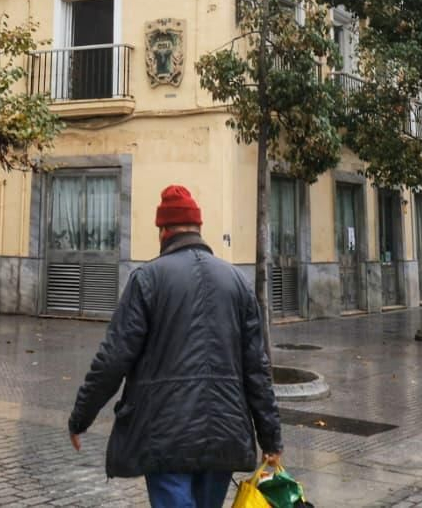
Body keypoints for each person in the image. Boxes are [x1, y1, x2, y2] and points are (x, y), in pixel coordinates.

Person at [68, 185, 282, 508]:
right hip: (224, 434)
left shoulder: (147, 280)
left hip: (164, 436)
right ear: (198, 228)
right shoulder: (238, 282)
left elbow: (113, 359)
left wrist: (80, 417)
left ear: (162, 231)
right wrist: (271, 438)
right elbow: (257, 369)